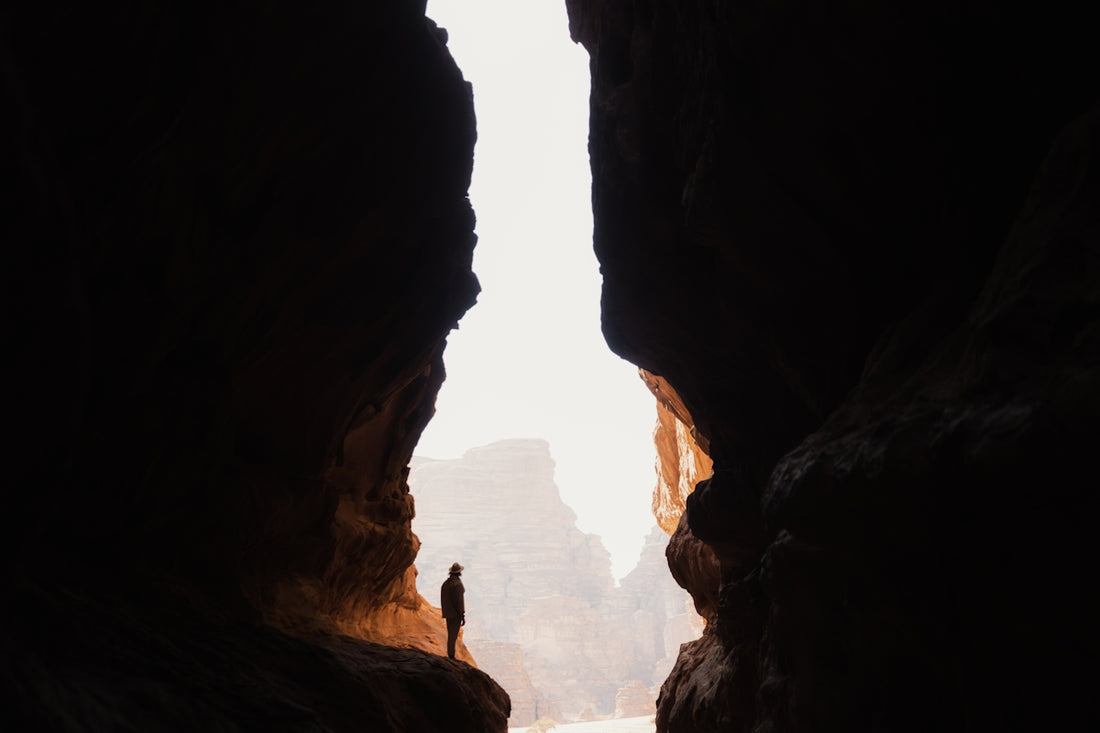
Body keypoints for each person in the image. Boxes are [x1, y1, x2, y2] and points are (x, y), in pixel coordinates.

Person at [440, 562, 465, 659]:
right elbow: (460, 600)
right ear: (459, 573)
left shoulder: (446, 584)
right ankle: (451, 656)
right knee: (453, 636)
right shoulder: (457, 584)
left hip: (447, 613)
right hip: (455, 614)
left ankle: (450, 653)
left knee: (450, 634)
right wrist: (462, 614)